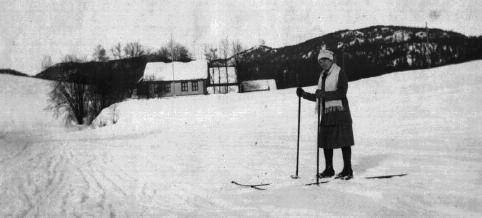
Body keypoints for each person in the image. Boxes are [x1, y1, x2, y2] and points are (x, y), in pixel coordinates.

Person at [296, 49, 355, 180]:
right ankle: (329, 169)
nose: (322, 63)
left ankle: (348, 169)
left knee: (344, 141)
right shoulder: (323, 76)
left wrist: (324, 95)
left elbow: (341, 93)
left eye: (325, 60)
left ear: (331, 60)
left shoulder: (339, 72)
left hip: (340, 112)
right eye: (320, 61)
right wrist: (304, 94)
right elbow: (319, 97)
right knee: (326, 141)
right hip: (327, 113)